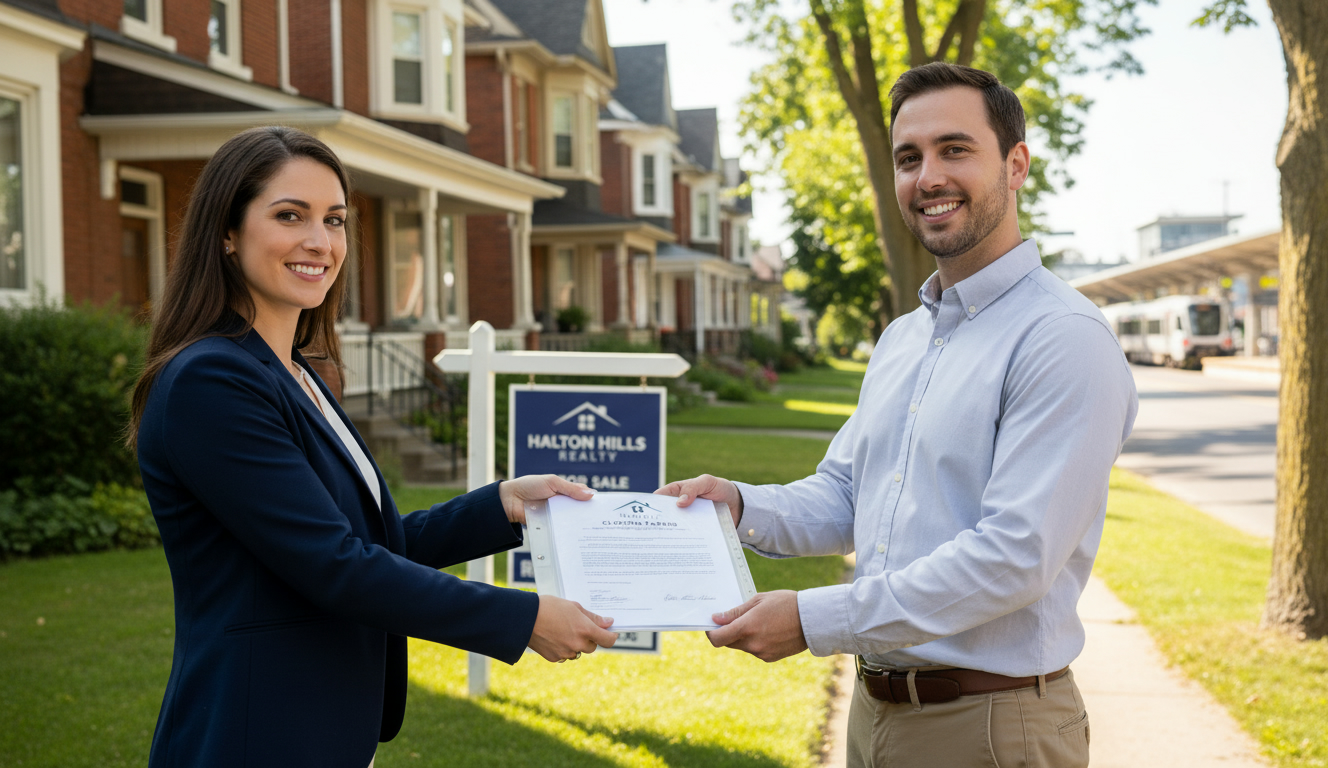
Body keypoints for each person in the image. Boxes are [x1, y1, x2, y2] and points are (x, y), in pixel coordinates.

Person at [658, 63, 1138, 768]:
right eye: (908, 158)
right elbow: (850, 495)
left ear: (1016, 164)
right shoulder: (904, 337)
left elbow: (1015, 558)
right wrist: (737, 505)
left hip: (992, 728)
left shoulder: (1062, 337)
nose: (928, 177)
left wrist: (811, 618)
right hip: (876, 715)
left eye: (954, 149)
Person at [127, 126, 617, 768]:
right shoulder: (209, 382)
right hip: (255, 729)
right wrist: (521, 619)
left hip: (325, 725)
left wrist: (499, 505)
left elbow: (364, 542)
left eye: (334, 220)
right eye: (289, 215)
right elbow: (334, 565)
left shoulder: (297, 373)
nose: (319, 242)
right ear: (226, 232)